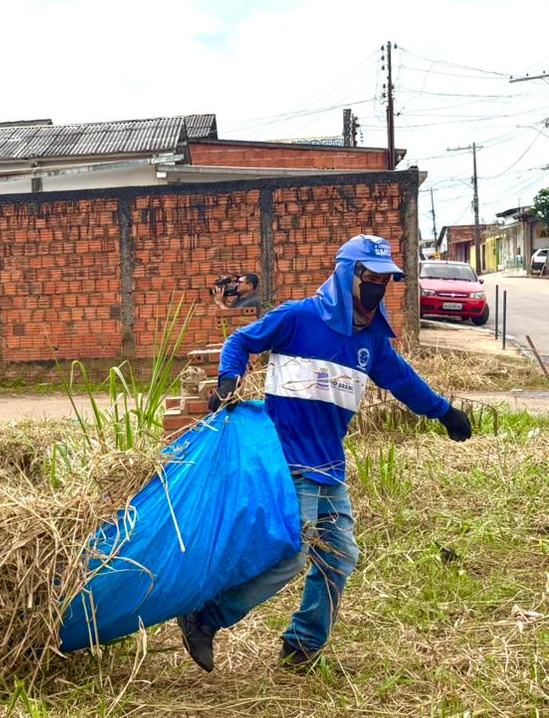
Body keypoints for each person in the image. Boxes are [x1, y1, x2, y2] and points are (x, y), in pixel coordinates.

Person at [179, 234, 472, 673]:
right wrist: (228, 380)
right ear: (347, 277)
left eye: (385, 280)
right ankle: (206, 617)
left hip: (329, 465)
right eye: (370, 278)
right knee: (292, 553)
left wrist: (444, 412)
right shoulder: (299, 318)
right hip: (287, 457)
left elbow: (403, 381)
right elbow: (240, 342)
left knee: (339, 555)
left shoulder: (371, 339)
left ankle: (303, 644)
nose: (378, 288)